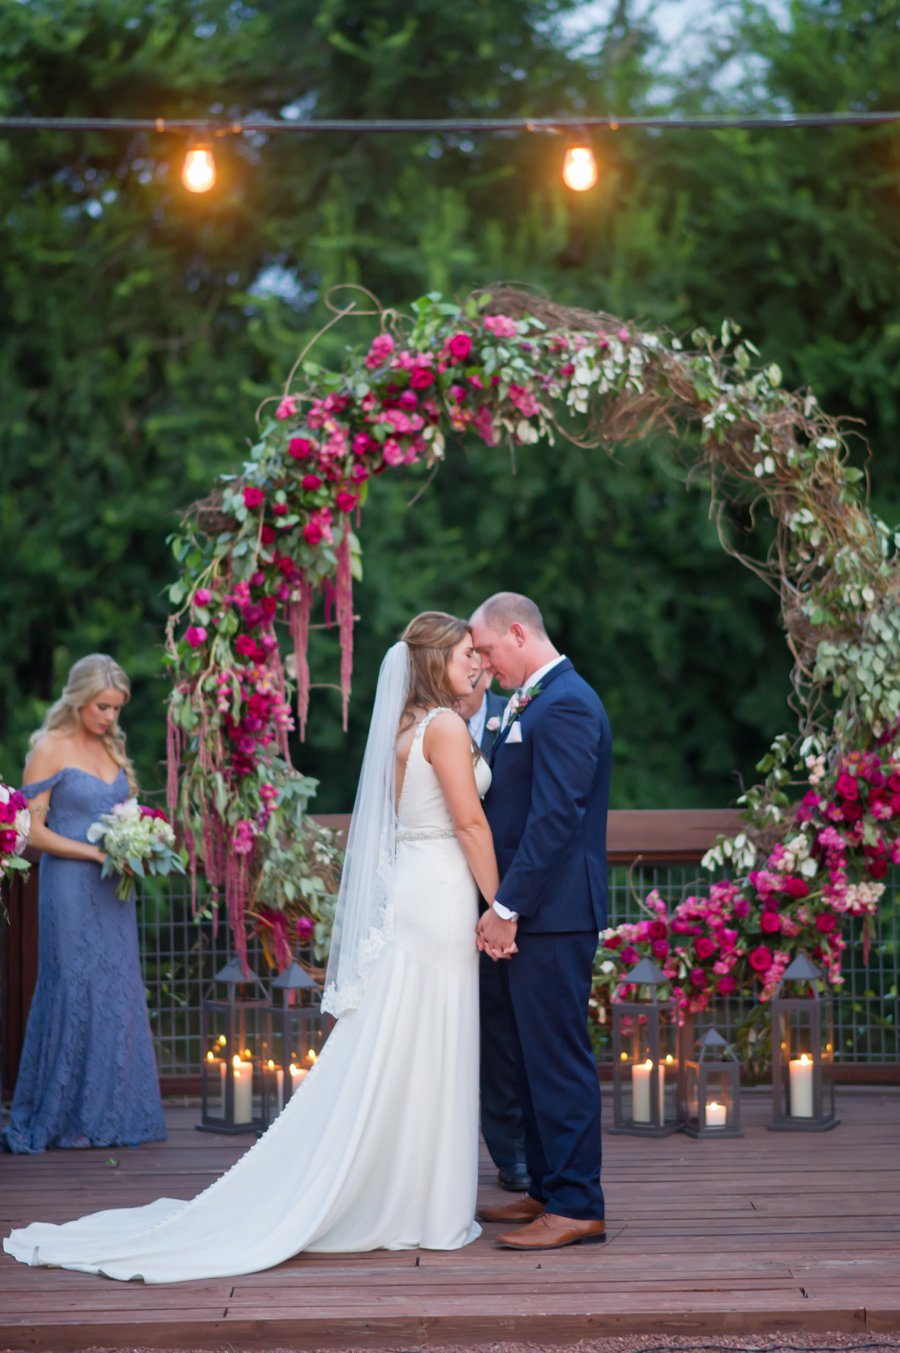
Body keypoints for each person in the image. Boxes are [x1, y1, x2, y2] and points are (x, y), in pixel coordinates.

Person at [4, 612, 499, 1280]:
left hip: (418, 888)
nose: (479, 662)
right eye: (470, 652)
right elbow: (468, 821)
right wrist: (500, 903)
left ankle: (407, 1191)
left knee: (408, 1037)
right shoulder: (442, 727)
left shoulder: (413, 726)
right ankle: (422, 1199)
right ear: (439, 659)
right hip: (439, 889)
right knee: (425, 1036)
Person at [469, 593, 612, 1251]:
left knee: (556, 1058)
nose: (481, 660)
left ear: (518, 633)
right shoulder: (531, 700)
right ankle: (549, 1187)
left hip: (551, 916)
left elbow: (555, 818)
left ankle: (579, 1203)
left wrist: (506, 907)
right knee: (527, 1059)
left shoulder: (570, 702)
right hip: (533, 914)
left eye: (487, 648)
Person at [1, 655, 166, 1155]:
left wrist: (140, 844)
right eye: (103, 707)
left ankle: (112, 1113)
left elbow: (122, 812)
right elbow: (30, 831)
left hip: (114, 890)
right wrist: (94, 851)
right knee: (72, 986)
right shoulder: (49, 749)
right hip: (70, 886)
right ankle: (63, 1115)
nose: (110, 718)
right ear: (78, 700)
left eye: (116, 709)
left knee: (117, 988)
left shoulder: (111, 747)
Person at [456, 670, 531, 1193]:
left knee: (508, 1029)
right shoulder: (422, 723)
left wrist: (504, 902)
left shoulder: (517, 713)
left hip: (506, 899)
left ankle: (514, 1154)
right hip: (442, 895)